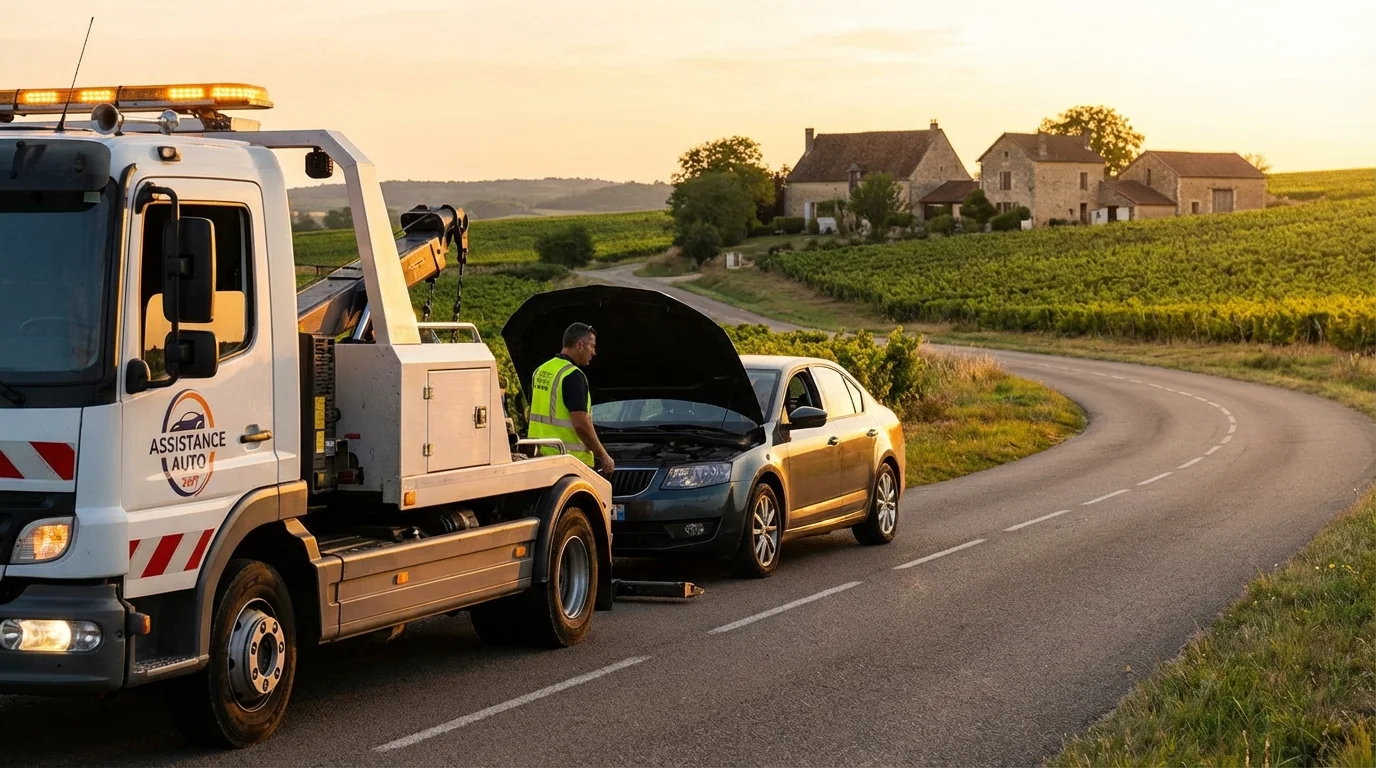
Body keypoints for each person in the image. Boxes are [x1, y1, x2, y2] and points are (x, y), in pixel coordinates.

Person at [527, 323, 614, 475]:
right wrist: (603, 455)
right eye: (592, 346)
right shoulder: (573, 375)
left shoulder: (540, 370)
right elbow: (581, 424)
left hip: (538, 457)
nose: (594, 352)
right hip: (569, 462)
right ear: (580, 345)